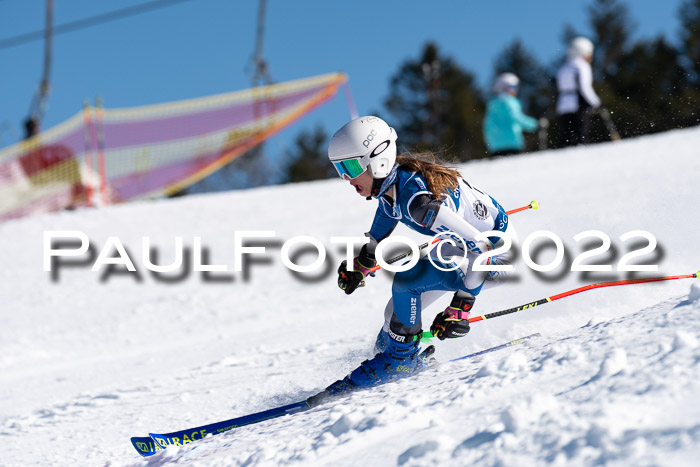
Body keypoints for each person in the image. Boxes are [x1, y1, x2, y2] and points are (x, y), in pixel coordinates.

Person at [322, 116, 515, 392]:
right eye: (340, 168)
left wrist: (462, 306)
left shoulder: (419, 204)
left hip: (497, 259)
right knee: (392, 316)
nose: (347, 177)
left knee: (407, 281)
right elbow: (387, 213)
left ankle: (401, 360)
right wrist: (364, 260)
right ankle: (402, 358)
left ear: (378, 159)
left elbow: (482, 248)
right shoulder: (394, 184)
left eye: (351, 166)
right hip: (460, 250)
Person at [556, 36, 601, 146]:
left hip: (564, 104)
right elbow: (585, 88)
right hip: (579, 104)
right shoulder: (582, 66)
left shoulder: (564, 67)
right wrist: (597, 102)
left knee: (566, 136)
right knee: (582, 134)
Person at [483, 73, 539, 156]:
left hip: (495, 145)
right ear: (505, 87)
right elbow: (516, 117)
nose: (516, 90)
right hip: (512, 142)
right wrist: (535, 124)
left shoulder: (492, 104)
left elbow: (487, 125)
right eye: (514, 87)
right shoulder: (510, 101)